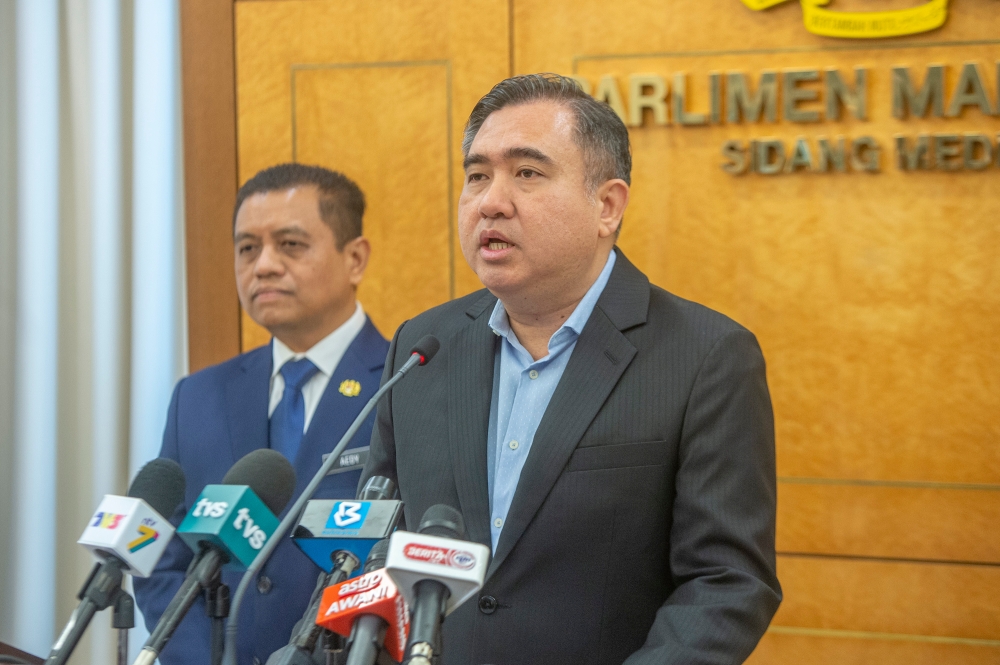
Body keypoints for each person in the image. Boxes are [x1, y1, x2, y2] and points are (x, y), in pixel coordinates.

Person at [360, 74, 781, 665]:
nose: (491, 201)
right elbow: (376, 544)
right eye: (477, 175)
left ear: (606, 205)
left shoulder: (705, 356)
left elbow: (727, 583)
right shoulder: (425, 347)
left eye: (527, 173)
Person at [134, 164, 390, 665]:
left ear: (355, 258)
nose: (264, 265)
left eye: (290, 245)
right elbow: (161, 561)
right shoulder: (199, 396)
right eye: (247, 248)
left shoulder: (405, 384)